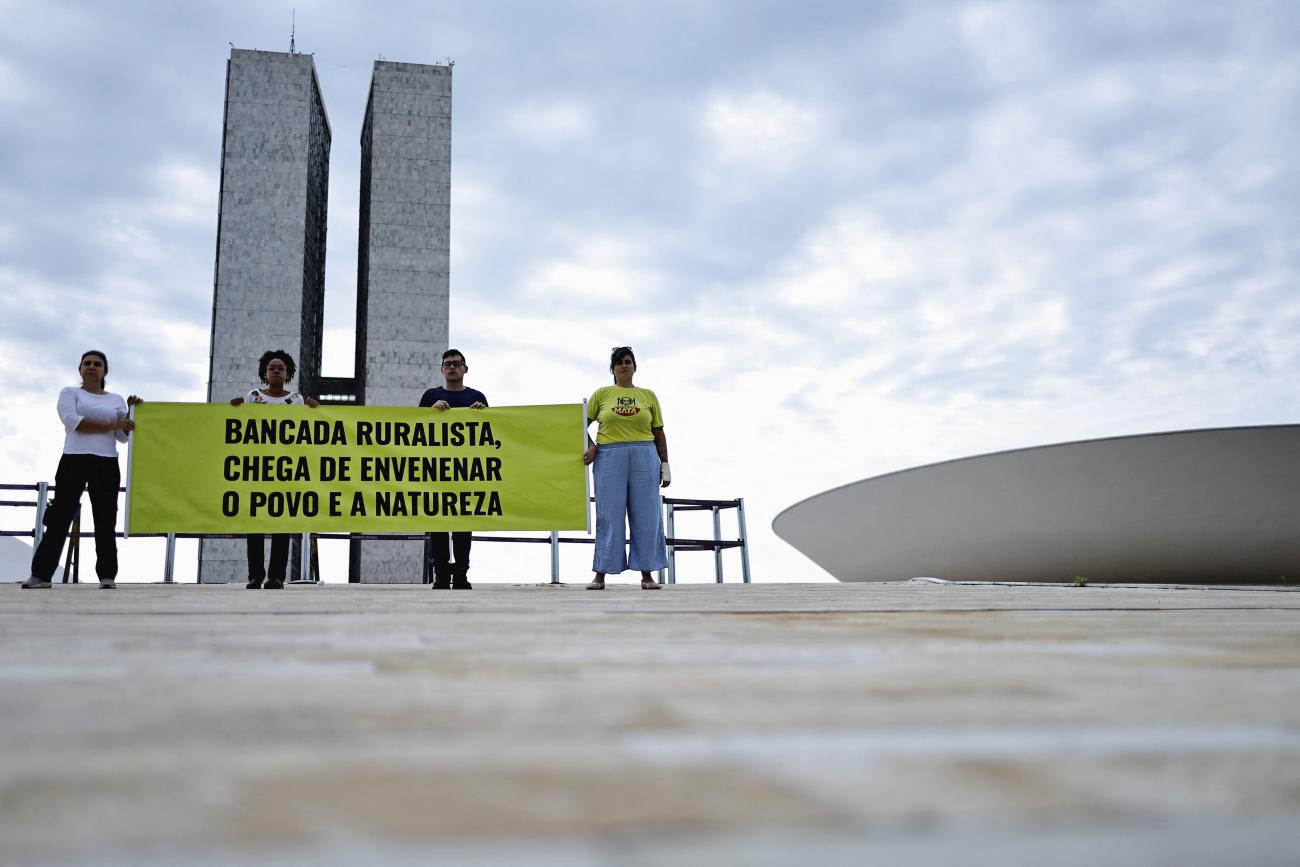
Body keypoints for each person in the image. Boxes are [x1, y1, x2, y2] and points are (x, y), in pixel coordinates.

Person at [23, 351, 141, 589]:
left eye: (97, 364)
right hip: (74, 459)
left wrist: (130, 415)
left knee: (105, 519)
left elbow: (121, 437)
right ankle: (41, 575)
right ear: (80, 369)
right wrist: (113, 423)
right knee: (60, 517)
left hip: (106, 462)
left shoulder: (116, 399)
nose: (92, 367)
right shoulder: (70, 393)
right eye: (87, 363)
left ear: (104, 371)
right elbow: (73, 422)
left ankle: (107, 576)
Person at [583, 346, 670, 590]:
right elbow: (580, 423)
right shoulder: (602, 394)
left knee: (647, 515)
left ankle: (647, 574)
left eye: (628, 361)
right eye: (619, 362)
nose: (624, 365)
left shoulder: (648, 396)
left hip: (644, 453)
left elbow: (659, 431)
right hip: (610, 454)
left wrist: (665, 464)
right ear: (612, 369)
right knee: (609, 514)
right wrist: (592, 445)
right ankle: (600, 574)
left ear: (635, 367)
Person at [230, 350, 319, 589]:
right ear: (265, 373)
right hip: (257, 468)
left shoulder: (297, 400)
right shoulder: (252, 397)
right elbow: (239, 426)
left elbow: (306, 430)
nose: (276, 371)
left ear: (288, 372)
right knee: (255, 523)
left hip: (286, 469)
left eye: (280, 368)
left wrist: (314, 409)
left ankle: (277, 576)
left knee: (282, 523)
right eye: (271, 368)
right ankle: (255, 575)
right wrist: (235, 408)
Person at [418, 348, 488, 589]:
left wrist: (483, 415)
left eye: (457, 364)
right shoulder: (430, 396)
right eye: (447, 364)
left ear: (465, 369)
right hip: (436, 469)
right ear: (441, 369)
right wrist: (430, 412)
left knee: (463, 523)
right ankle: (440, 573)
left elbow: (492, 433)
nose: (452, 367)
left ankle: (461, 573)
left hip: (467, 469)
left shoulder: (477, 396)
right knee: (438, 522)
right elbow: (414, 430)